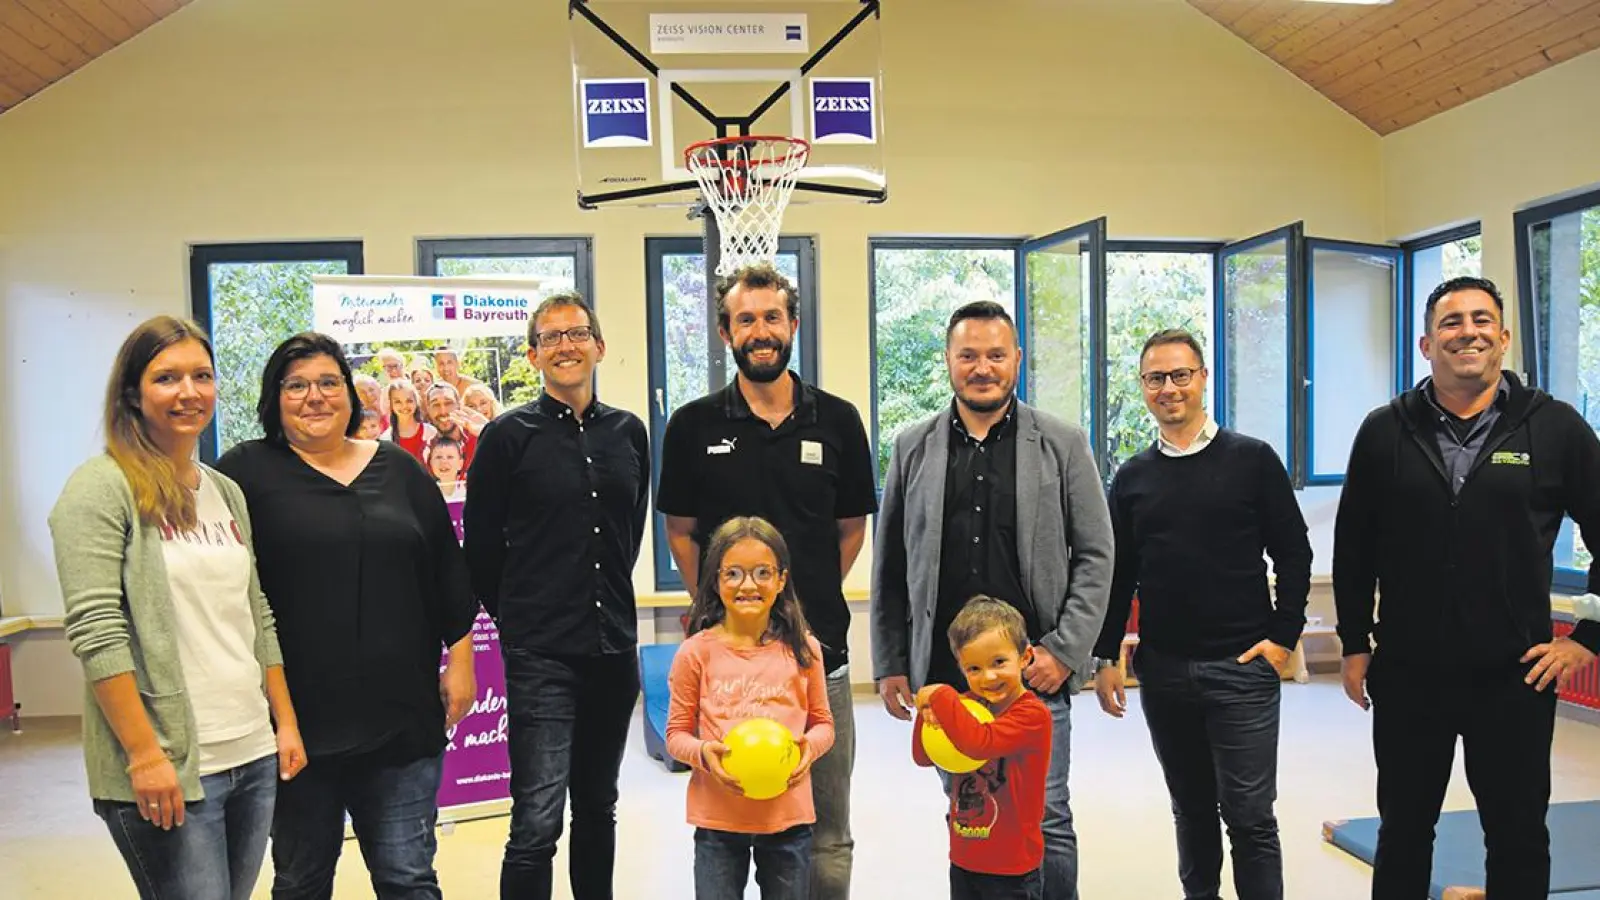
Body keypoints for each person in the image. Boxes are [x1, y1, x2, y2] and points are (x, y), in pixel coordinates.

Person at [1334, 275, 1600, 899]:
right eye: (1451, 322)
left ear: (1504, 338)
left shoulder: (1555, 428)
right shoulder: (1384, 431)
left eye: (1482, 320)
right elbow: (1354, 546)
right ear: (1426, 344)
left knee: (1516, 835)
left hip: (1515, 674)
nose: (1468, 332)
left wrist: (1589, 634)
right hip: (1408, 671)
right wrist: (1353, 640)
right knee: (1403, 831)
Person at [48, 315, 306, 900]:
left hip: (251, 752)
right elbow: (96, 631)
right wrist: (143, 754)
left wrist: (283, 722)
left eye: (202, 376)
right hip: (170, 764)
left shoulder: (222, 490)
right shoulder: (100, 488)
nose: (189, 392)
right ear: (133, 395)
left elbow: (254, 613)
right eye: (167, 377)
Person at [216, 332, 479, 900]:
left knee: (408, 878)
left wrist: (462, 661)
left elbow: (446, 570)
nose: (315, 396)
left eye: (329, 382)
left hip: (401, 718)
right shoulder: (243, 474)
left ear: (349, 393)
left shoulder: (400, 471)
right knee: (302, 880)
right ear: (274, 397)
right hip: (295, 724)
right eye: (297, 385)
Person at [871, 299, 1113, 900]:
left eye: (996, 355)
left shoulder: (1061, 443)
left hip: (1034, 677)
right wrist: (891, 661)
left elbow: (1097, 554)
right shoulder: (911, 447)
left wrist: (1066, 650)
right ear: (949, 361)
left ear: (1017, 361)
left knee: (1046, 818)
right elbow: (892, 565)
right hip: (947, 681)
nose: (983, 367)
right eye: (969, 355)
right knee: (972, 816)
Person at [657, 262, 877, 899]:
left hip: (820, 658)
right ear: (726, 332)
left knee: (826, 831)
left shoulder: (837, 421)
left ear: (794, 325)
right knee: (725, 830)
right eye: (745, 319)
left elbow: (850, 529)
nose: (760, 330)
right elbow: (680, 530)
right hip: (728, 662)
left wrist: (790, 615)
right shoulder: (694, 426)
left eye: (772, 317)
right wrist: (725, 612)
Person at [1090, 328, 1311, 900]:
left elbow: (1293, 551)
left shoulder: (1253, 460)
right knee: (1190, 809)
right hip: (1164, 672)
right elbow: (1121, 572)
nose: (1169, 388)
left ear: (1203, 378)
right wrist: (1107, 654)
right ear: (1143, 387)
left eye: (1181, 375)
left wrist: (1283, 637)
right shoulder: (1133, 477)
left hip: (1242, 667)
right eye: (1156, 378)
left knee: (1250, 816)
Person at [464, 293, 650, 900]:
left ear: (599, 345)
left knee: (598, 807)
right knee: (537, 821)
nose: (566, 345)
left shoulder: (631, 432)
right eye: (550, 337)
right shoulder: (505, 436)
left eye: (577, 333)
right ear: (533, 355)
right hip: (541, 654)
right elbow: (482, 551)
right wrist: (521, 619)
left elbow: (630, 530)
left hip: (614, 650)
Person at [665, 517, 836, 900]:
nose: (748, 585)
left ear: (780, 580)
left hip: (788, 819)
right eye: (734, 574)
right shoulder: (695, 653)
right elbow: (676, 735)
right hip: (718, 821)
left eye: (762, 573)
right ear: (715, 580)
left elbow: (824, 724)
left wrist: (810, 747)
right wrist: (704, 755)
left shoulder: (804, 649)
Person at [912, 596, 1052, 900]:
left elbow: (979, 742)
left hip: (1012, 869)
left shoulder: (1032, 715)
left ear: (1025, 657)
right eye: (973, 668)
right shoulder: (965, 705)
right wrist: (926, 714)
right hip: (965, 858)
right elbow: (924, 756)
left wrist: (939, 693)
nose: (988, 676)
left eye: (999, 662)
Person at [425, 381, 485, 472]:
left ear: (459, 406)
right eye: (436, 405)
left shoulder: (479, 439)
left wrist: (488, 431)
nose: (443, 411)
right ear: (428, 410)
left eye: (448, 403)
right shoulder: (425, 449)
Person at [386, 377, 436, 464]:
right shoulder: (386, 439)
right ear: (391, 404)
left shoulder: (430, 433)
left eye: (409, 401)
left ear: (416, 402)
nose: (404, 406)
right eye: (398, 402)